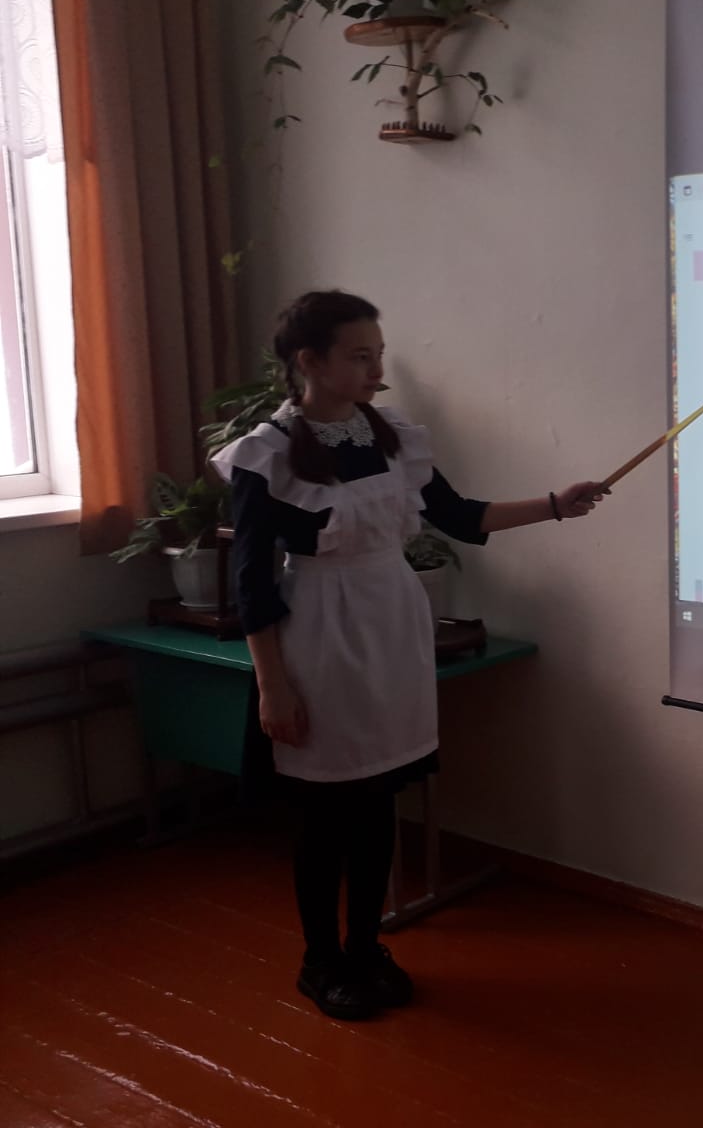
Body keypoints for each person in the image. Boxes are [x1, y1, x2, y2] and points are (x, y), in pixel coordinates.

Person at [210, 290, 608, 1021]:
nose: (377, 369)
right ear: (310, 362)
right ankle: (320, 961)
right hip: (320, 636)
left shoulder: (391, 434)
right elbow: (250, 583)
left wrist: (556, 503)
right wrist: (273, 686)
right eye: (360, 356)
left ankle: (365, 947)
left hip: (392, 625)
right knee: (324, 816)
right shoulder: (266, 452)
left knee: (377, 803)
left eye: (379, 354)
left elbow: (460, 516)